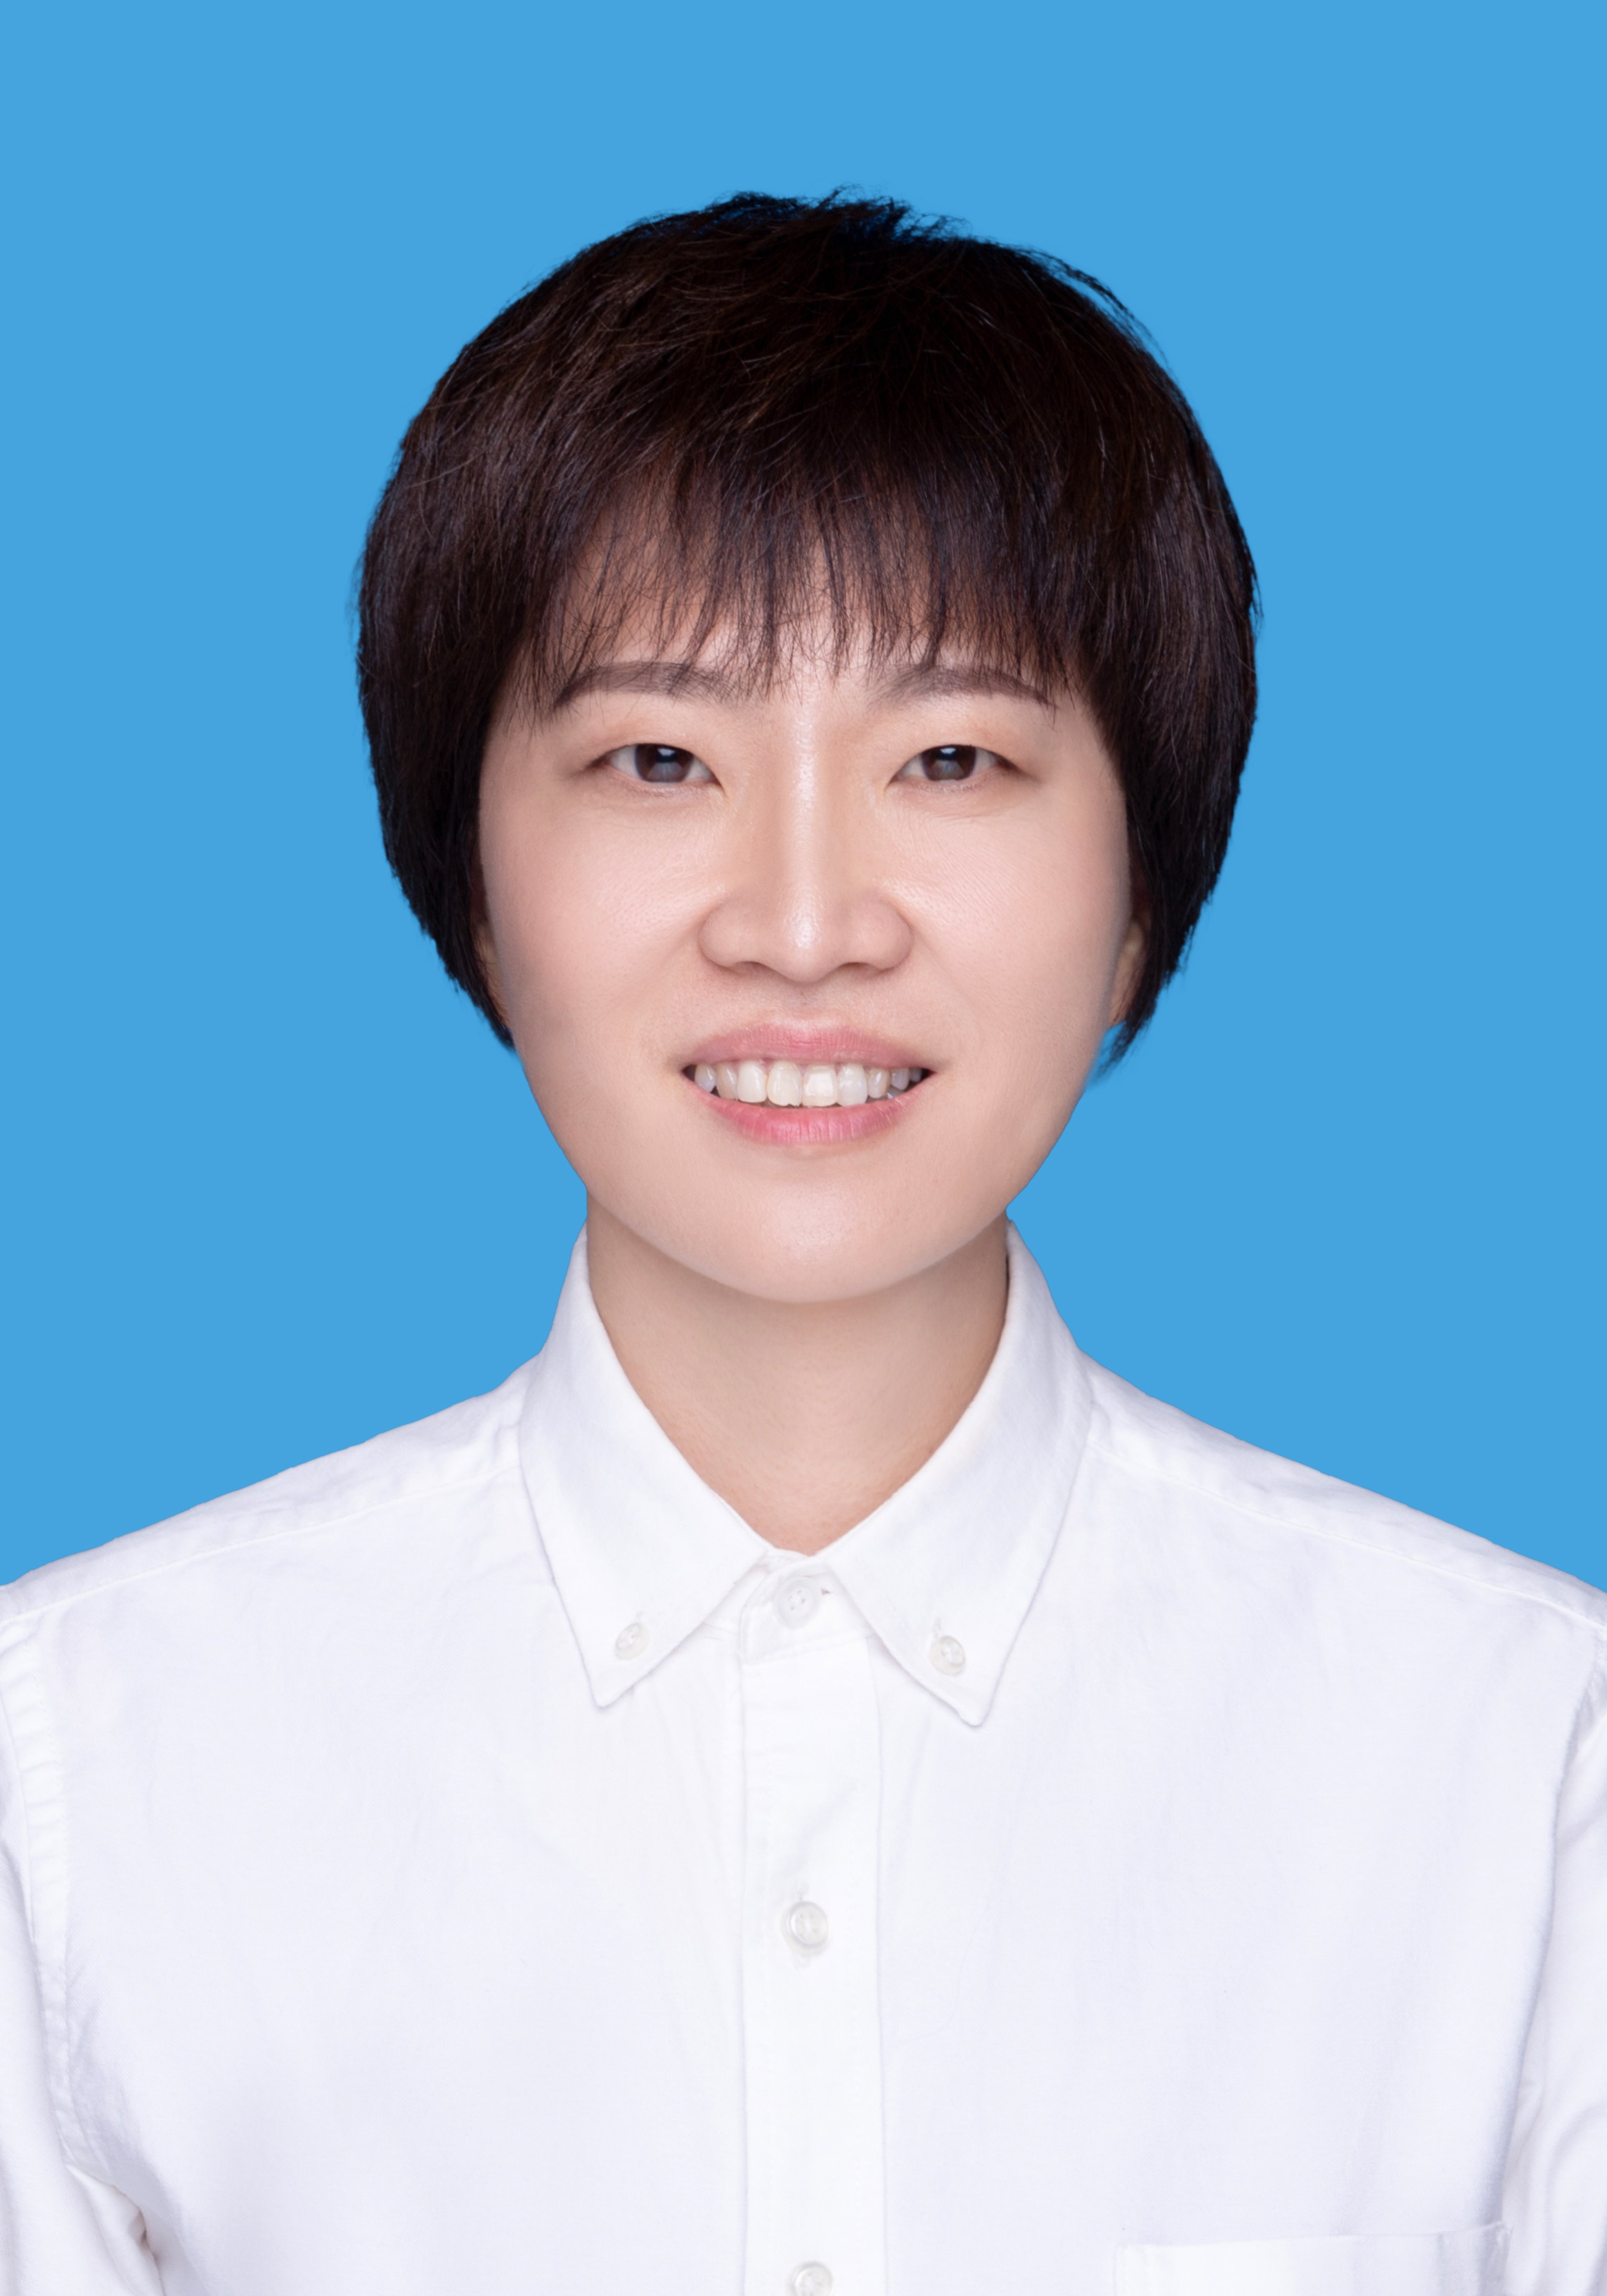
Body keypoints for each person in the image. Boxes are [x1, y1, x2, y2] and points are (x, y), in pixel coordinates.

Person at [1, 193, 1601, 2296]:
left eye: (953, 758)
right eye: (660, 758)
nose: (806, 921)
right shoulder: (79, 1767)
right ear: (469, 871)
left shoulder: (1522, 1760)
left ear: (1143, 884)